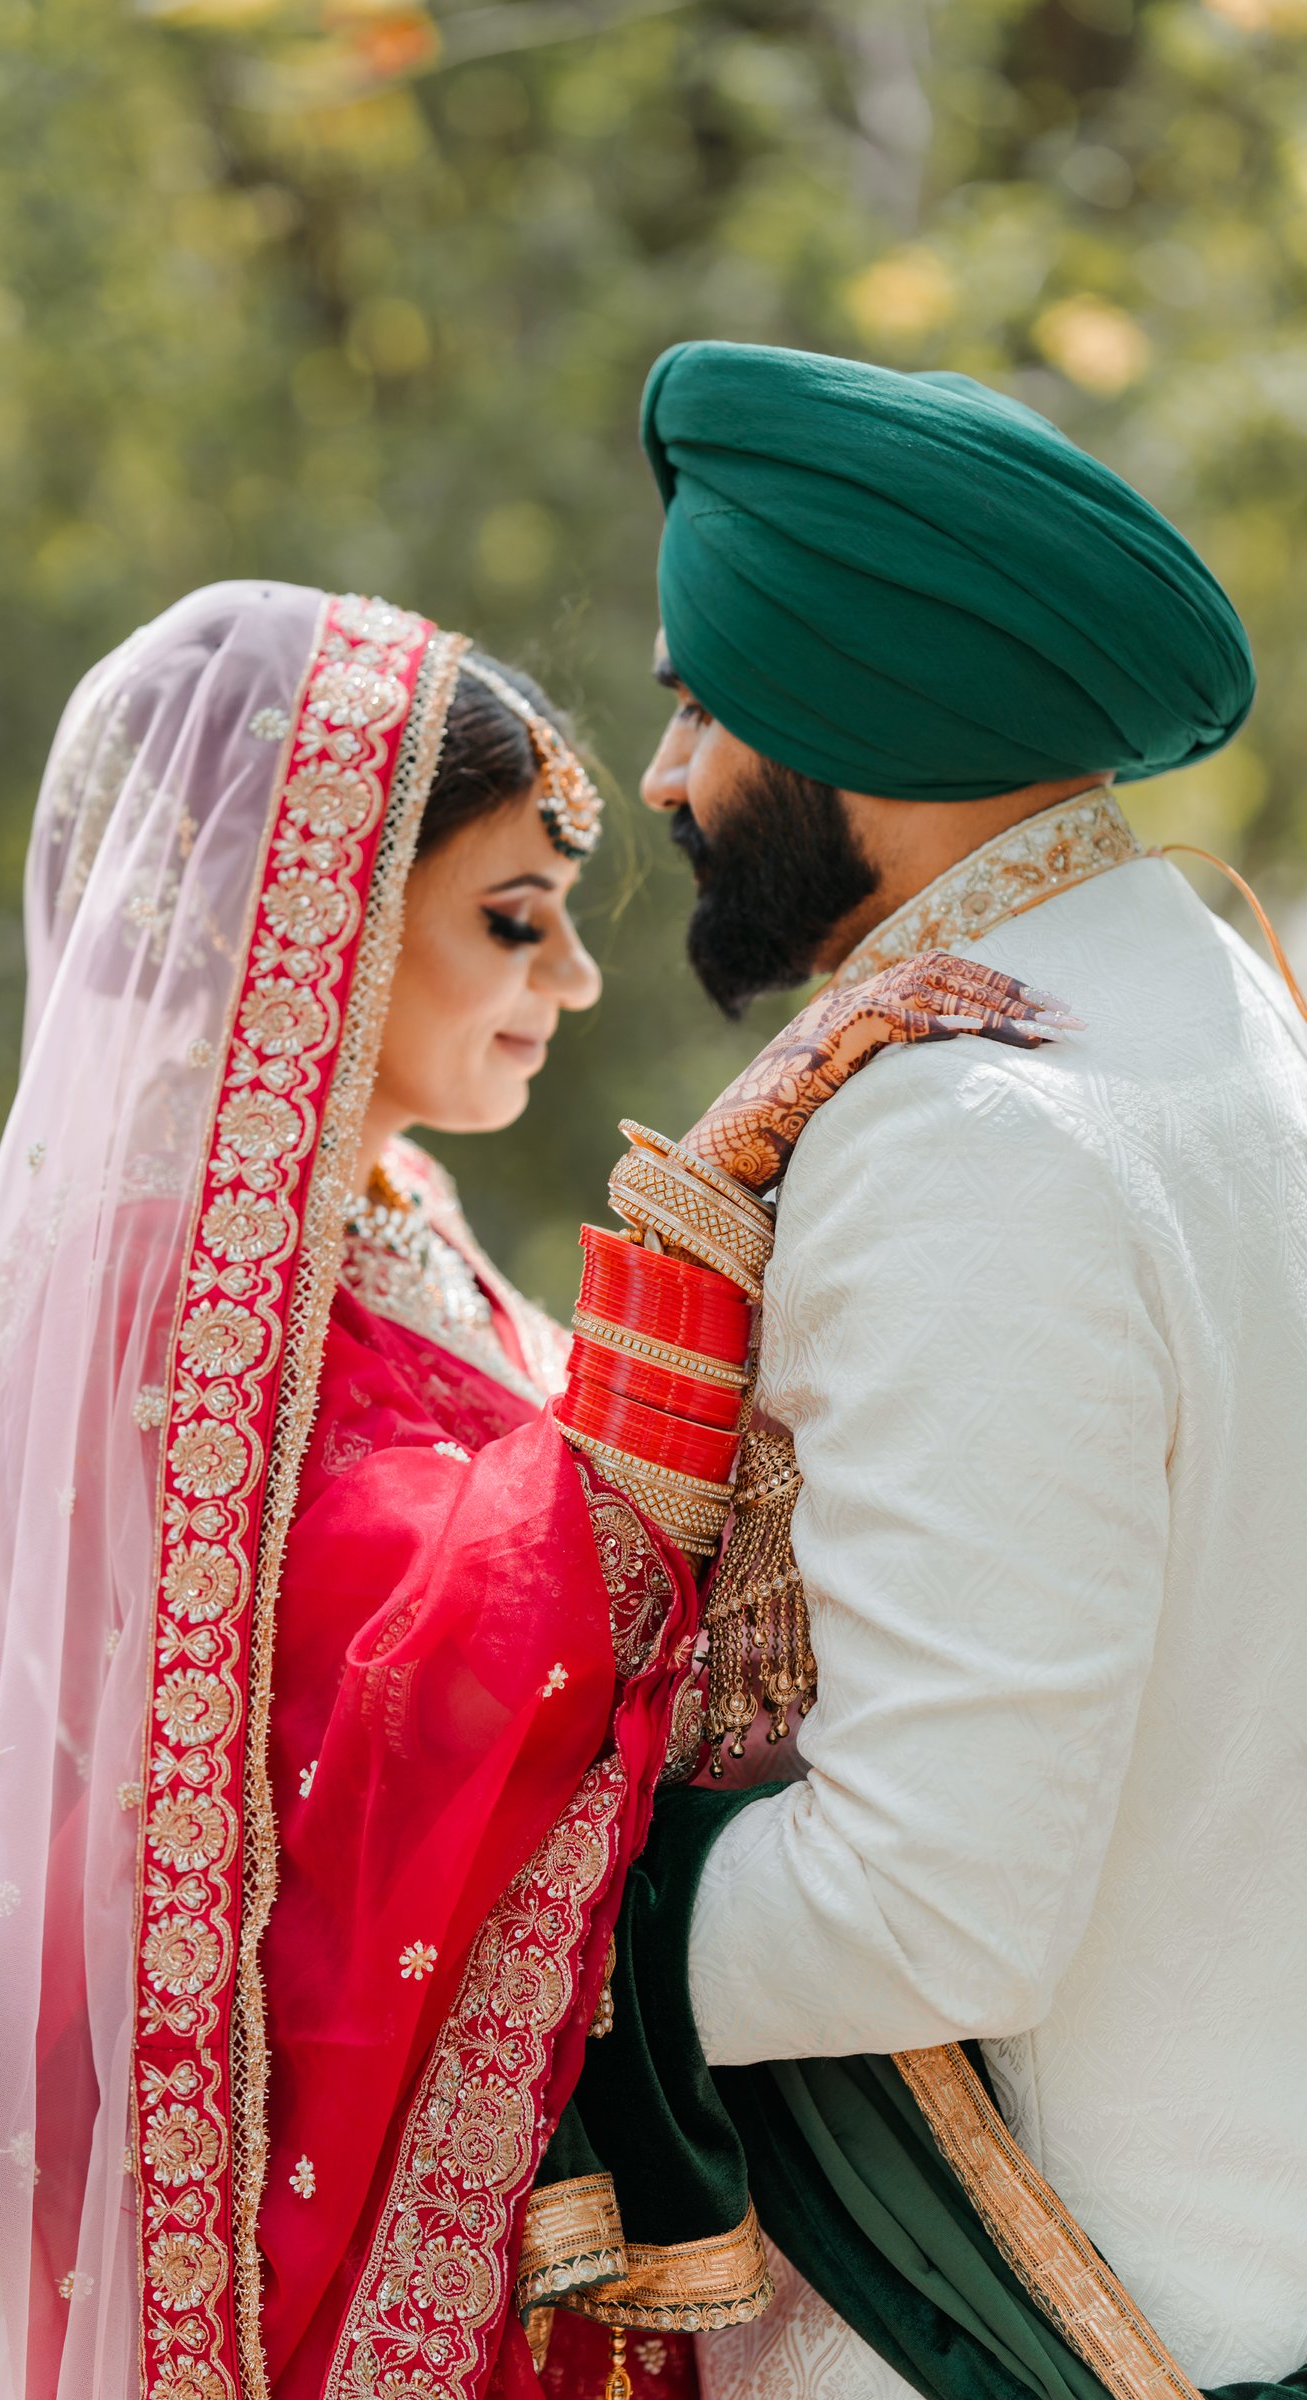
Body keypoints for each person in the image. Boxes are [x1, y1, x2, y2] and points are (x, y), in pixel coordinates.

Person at [0, 580, 1047, 2400]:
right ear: (304, 918)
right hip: (312, 2234)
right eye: (514, 921)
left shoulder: (381, 1209)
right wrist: (717, 1189)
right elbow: (428, 1675)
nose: (571, 980)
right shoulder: (174, 1273)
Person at [554, 342, 1307, 2396]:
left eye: (697, 704)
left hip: (1029, 2316)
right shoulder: (1210, 998)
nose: (662, 776)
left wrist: (514, 1936)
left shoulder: (971, 1133)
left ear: (841, 719)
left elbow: (926, 1906)